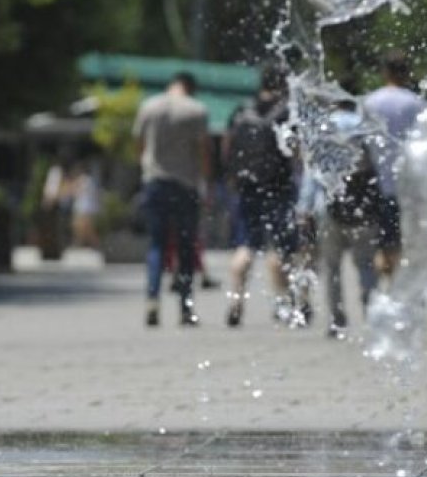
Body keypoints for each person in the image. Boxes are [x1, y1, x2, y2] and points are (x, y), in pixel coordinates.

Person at [224, 63, 302, 327]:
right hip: (279, 187)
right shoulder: (286, 113)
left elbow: (227, 148)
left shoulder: (241, 111)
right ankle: (282, 306)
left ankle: (236, 302)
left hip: (246, 187)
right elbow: (296, 153)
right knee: (277, 250)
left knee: (245, 246)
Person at [299, 89, 381, 338]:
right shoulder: (364, 126)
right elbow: (379, 166)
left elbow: (313, 170)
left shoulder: (322, 127)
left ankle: (337, 319)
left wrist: (304, 206)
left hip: (328, 206)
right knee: (366, 264)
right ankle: (372, 315)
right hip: (363, 206)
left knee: (331, 267)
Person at [133, 72, 211, 327]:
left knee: (156, 244)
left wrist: (146, 169)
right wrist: (205, 183)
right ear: (190, 87)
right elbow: (203, 151)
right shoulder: (196, 110)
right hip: (185, 184)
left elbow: (139, 144)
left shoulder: (149, 106)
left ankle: (152, 300)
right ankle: (186, 307)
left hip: (155, 181)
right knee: (185, 246)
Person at [363, 51, 426, 279]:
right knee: (409, 245)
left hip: (378, 184)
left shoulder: (370, 102)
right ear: (407, 73)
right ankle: (397, 286)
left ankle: (388, 284)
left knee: (386, 244)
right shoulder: (416, 103)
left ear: (385, 72)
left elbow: (363, 145)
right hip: (410, 188)